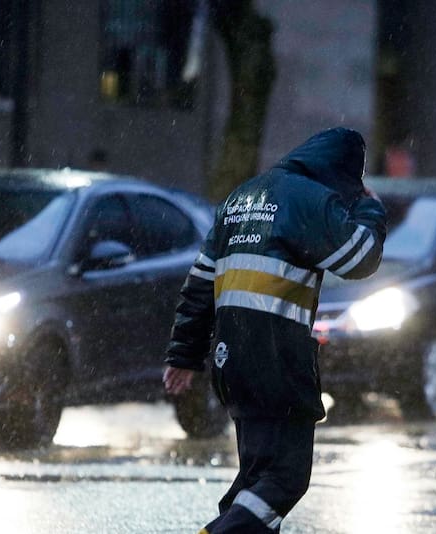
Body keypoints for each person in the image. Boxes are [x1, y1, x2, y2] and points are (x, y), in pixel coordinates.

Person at [163, 127, 387, 533]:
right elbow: (360, 257)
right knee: (285, 478)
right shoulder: (306, 199)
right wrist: (371, 209)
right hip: (278, 359)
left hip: (232, 362)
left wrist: (184, 354)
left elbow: (199, 285)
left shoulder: (241, 197)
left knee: (256, 479)